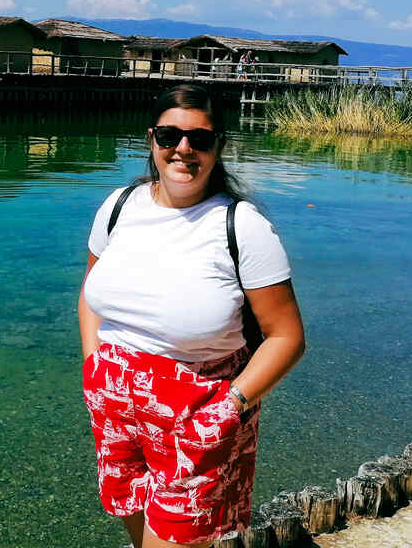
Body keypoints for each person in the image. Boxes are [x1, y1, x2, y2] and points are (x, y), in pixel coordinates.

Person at [77, 84, 306, 547]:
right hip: (115, 402)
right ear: (152, 140)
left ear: (218, 146)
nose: (183, 149)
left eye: (199, 140)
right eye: (169, 136)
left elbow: (286, 337)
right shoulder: (120, 207)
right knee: (134, 520)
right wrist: (93, 365)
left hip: (199, 411)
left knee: (181, 538)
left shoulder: (242, 226)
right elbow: (89, 293)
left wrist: (228, 409)